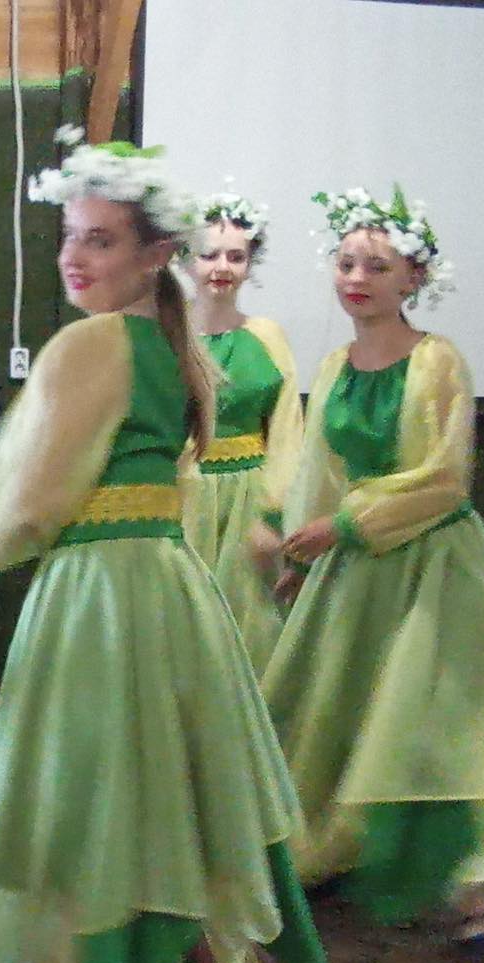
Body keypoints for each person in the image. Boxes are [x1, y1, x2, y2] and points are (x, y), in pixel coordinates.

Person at [0, 129, 324, 963]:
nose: (74, 255)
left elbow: (35, 490)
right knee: (159, 789)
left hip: (102, 596)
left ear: (153, 254)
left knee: (110, 805)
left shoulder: (93, 343)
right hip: (163, 585)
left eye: (99, 239)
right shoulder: (167, 345)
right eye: (70, 235)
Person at [262, 186, 484, 956]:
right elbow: (320, 474)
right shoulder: (334, 366)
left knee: (429, 719)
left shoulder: (438, 361)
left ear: (413, 279)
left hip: (431, 566)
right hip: (356, 570)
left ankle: (467, 886)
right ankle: (341, 845)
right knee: (345, 706)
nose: (356, 278)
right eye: (346, 263)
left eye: (377, 266)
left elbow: (445, 479)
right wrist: (302, 557)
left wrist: (346, 526)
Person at [181, 189, 303, 673]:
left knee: (249, 635)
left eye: (236, 257)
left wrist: (273, 516)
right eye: (209, 255)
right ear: (184, 260)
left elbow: (288, 431)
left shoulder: (267, 336)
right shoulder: (162, 334)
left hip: (249, 501)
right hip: (182, 499)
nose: (222, 267)